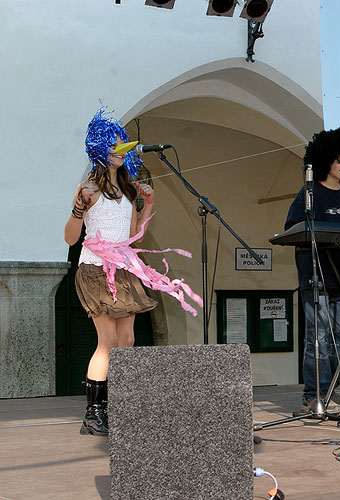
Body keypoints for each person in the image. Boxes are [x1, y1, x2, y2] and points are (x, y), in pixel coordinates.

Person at [65, 109, 201, 436]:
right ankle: (93, 413)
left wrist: (148, 206)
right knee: (108, 340)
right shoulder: (87, 189)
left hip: (124, 268)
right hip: (95, 268)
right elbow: (70, 238)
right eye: (113, 144)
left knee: (127, 339)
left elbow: (130, 235)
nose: (120, 149)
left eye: (121, 144)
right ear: (99, 147)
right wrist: (78, 209)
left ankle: (117, 407)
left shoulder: (127, 191)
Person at [284, 127, 340, 416]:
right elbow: (292, 229)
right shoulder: (309, 192)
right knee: (316, 337)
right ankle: (312, 394)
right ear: (326, 160)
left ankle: (332, 389)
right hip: (315, 275)